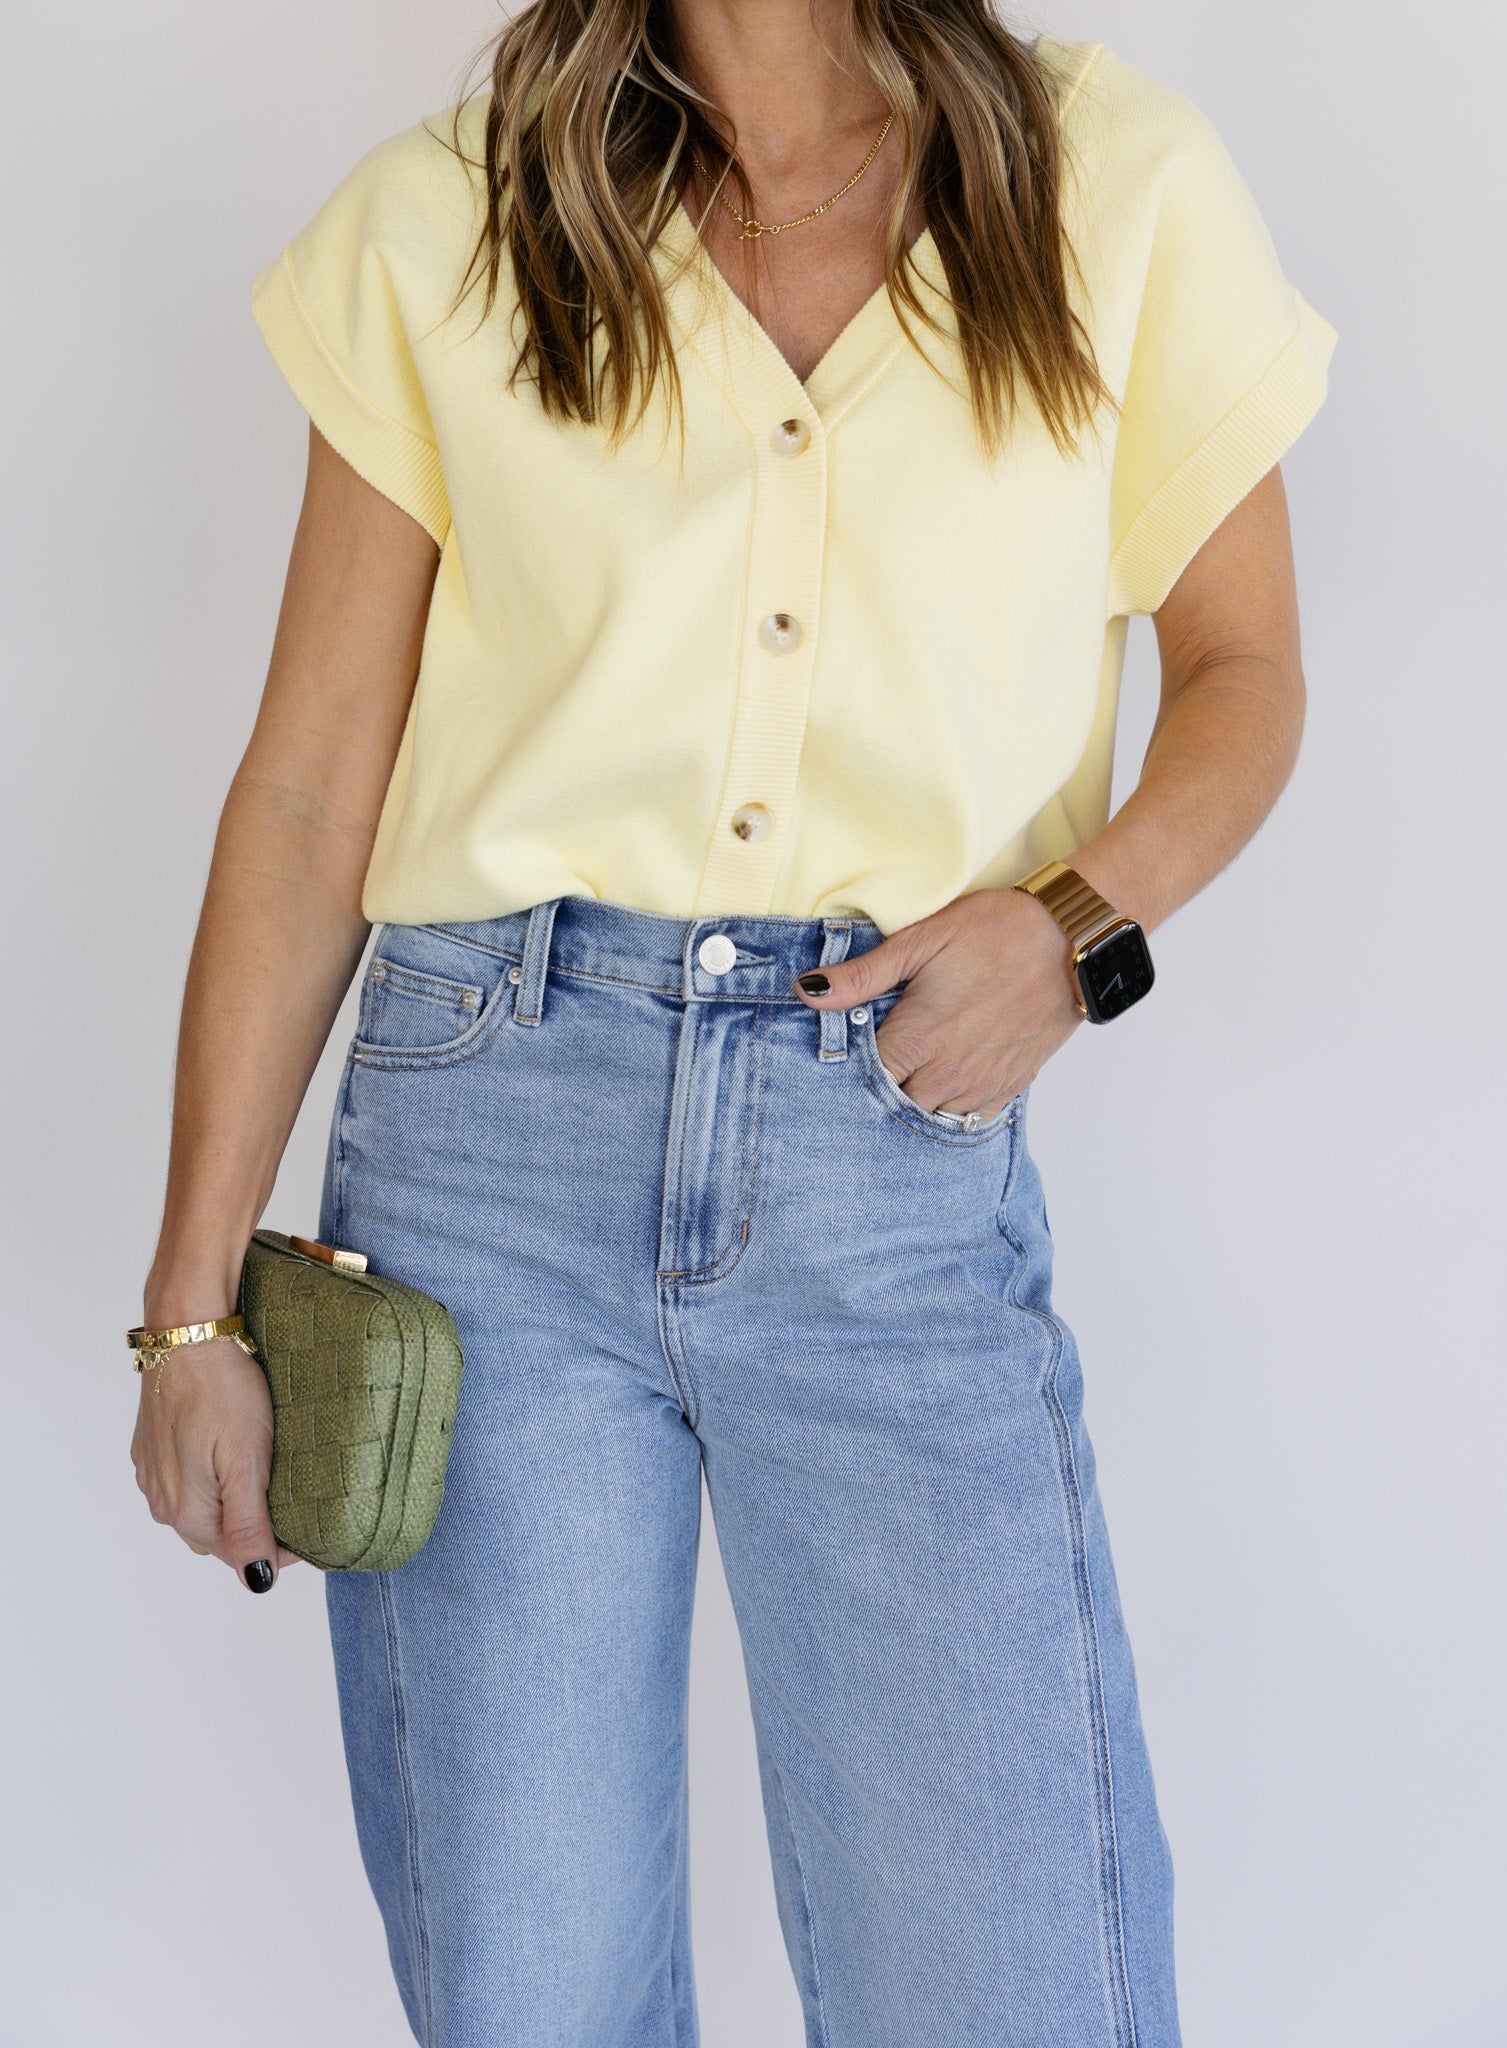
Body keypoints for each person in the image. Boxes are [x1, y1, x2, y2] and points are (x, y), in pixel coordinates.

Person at [128, 1, 1337, 2040]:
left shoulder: (1112, 185)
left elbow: (1247, 670)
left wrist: (1075, 929)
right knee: (531, 1993)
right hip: (484, 1157)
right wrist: (188, 1311)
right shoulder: (454, 217)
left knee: (1014, 1984)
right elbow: (313, 791)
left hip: (892, 1151)